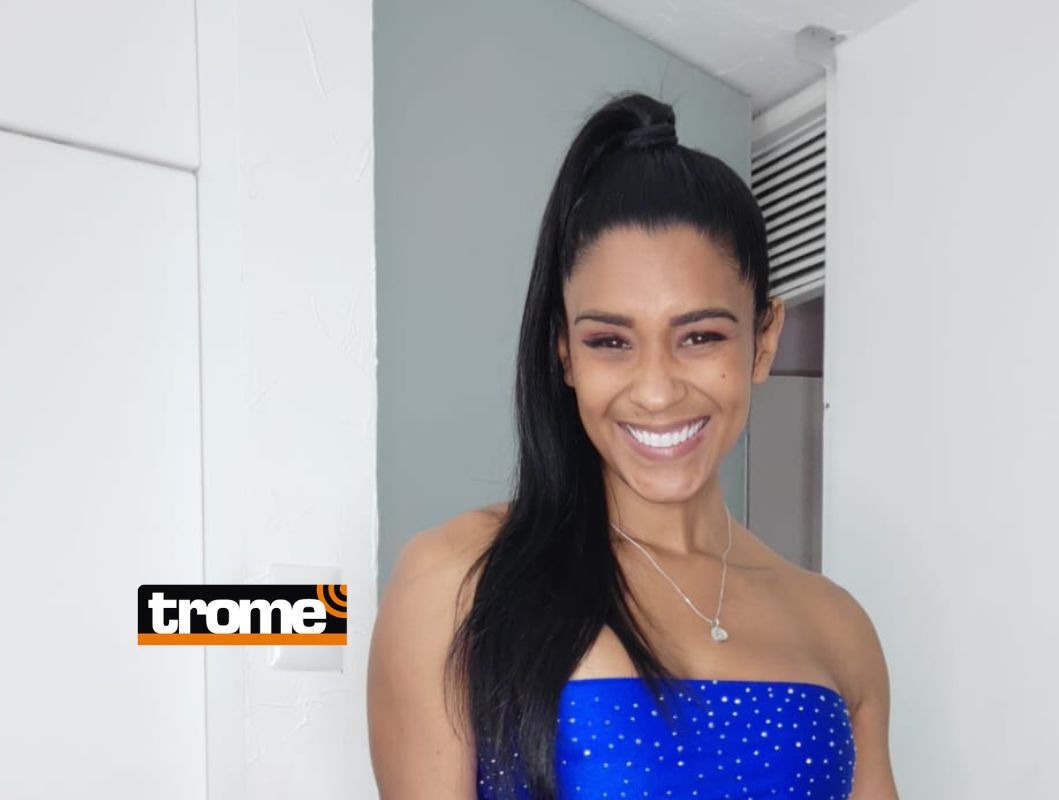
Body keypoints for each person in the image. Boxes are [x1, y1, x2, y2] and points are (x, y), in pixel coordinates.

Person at [368, 91, 899, 800]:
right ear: (564, 352)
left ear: (763, 340)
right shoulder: (458, 582)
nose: (655, 391)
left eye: (700, 336)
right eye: (610, 342)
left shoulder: (838, 627)